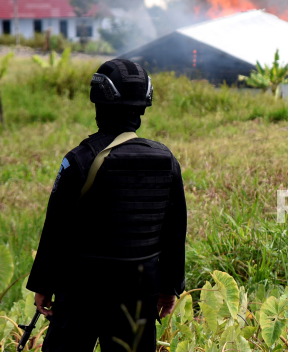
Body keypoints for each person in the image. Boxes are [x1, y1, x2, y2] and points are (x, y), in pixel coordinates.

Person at [26, 59, 188, 352]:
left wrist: (43, 285)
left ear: (99, 103)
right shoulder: (167, 161)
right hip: (140, 293)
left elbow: (56, 228)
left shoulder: (80, 159)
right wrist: (169, 288)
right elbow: (175, 233)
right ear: (142, 108)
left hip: (82, 292)